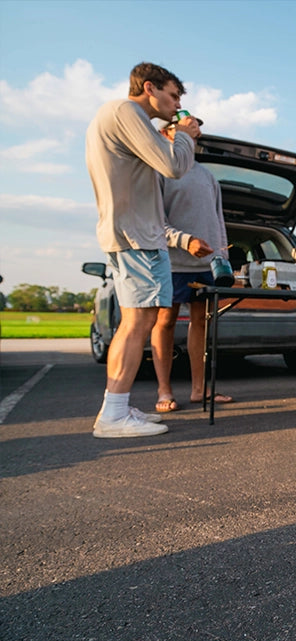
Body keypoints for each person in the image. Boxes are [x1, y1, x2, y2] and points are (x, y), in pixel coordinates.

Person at [86, 62, 202, 438]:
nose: (176, 106)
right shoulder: (126, 111)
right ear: (149, 88)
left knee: (137, 321)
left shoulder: (118, 117)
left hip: (130, 233)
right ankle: (113, 416)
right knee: (138, 322)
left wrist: (173, 137)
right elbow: (173, 166)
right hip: (138, 236)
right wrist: (185, 136)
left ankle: (116, 407)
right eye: (173, 97)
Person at [149, 122, 233, 413]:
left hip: (206, 265)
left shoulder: (208, 176)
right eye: (182, 126)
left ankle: (200, 391)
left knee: (201, 324)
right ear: (165, 134)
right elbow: (155, 223)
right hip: (172, 263)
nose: (191, 130)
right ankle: (164, 391)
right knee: (166, 323)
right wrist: (185, 241)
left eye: (194, 127)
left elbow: (218, 222)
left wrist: (222, 258)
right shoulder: (160, 171)